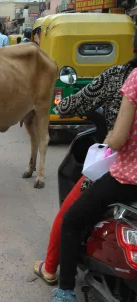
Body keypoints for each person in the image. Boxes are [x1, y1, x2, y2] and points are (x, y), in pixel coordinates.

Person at [34, 46, 137, 286]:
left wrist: (64, 106)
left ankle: (51, 272)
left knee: (67, 217)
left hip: (119, 167)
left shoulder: (120, 77)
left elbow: (70, 105)